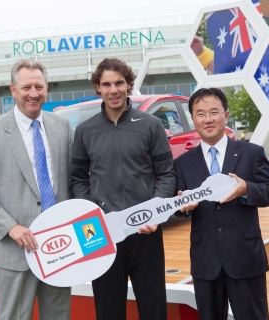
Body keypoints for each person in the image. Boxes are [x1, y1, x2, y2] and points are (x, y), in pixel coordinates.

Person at [0, 59, 73, 320]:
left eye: (39, 86)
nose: (33, 93)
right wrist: (10, 227)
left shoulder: (62, 127)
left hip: (58, 246)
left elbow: (72, 181)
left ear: (47, 88)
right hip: (13, 250)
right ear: (13, 90)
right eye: (26, 87)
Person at [70, 58, 176, 320]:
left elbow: (166, 174)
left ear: (129, 84)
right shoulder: (85, 131)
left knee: (153, 309)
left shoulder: (150, 125)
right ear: (98, 87)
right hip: (103, 234)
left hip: (145, 231)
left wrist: (155, 212)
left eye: (119, 83)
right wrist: (93, 215)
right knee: (108, 310)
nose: (113, 90)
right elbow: (78, 180)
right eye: (106, 84)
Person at [174, 88, 269, 320]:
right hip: (205, 260)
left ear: (226, 114)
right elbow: (178, 202)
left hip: (244, 257)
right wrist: (183, 207)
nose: (208, 119)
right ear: (193, 119)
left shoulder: (251, 153)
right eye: (200, 114)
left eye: (214, 112)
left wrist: (247, 189)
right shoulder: (182, 163)